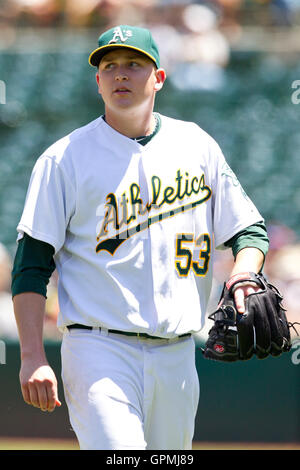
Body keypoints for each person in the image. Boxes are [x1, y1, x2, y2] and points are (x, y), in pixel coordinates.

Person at [11, 24, 269, 450]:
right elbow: (31, 265)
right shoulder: (64, 158)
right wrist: (32, 357)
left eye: (134, 64)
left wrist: (243, 275)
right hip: (99, 349)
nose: (121, 75)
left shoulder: (197, 146)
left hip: (178, 352)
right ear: (98, 82)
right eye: (109, 67)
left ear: (159, 78)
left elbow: (249, 231)